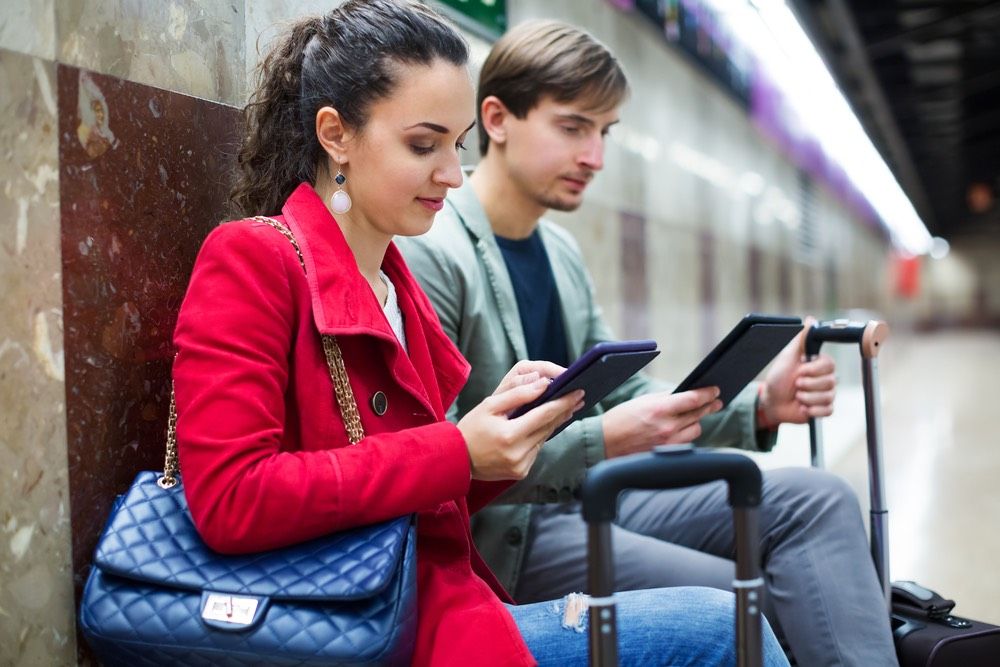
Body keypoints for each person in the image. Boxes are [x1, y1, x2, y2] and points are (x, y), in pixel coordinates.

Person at [171, 1, 789, 665]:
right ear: (336, 134)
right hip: (341, 621)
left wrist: (509, 429)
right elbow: (230, 498)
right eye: (421, 144)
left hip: (421, 601)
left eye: (456, 145)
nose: (450, 173)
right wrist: (460, 451)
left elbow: (423, 485)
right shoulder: (252, 258)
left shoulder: (394, 279)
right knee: (723, 624)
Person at [396, 18, 898, 667]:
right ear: (495, 118)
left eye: (604, 133)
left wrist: (759, 409)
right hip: (509, 530)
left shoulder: (560, 251)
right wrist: (604, 437)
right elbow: (440, 453)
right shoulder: (435, 252)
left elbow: (626, 392)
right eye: (574, 127)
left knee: (819, 496)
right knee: (734, 597)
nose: (595, 156)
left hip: (597, 491)